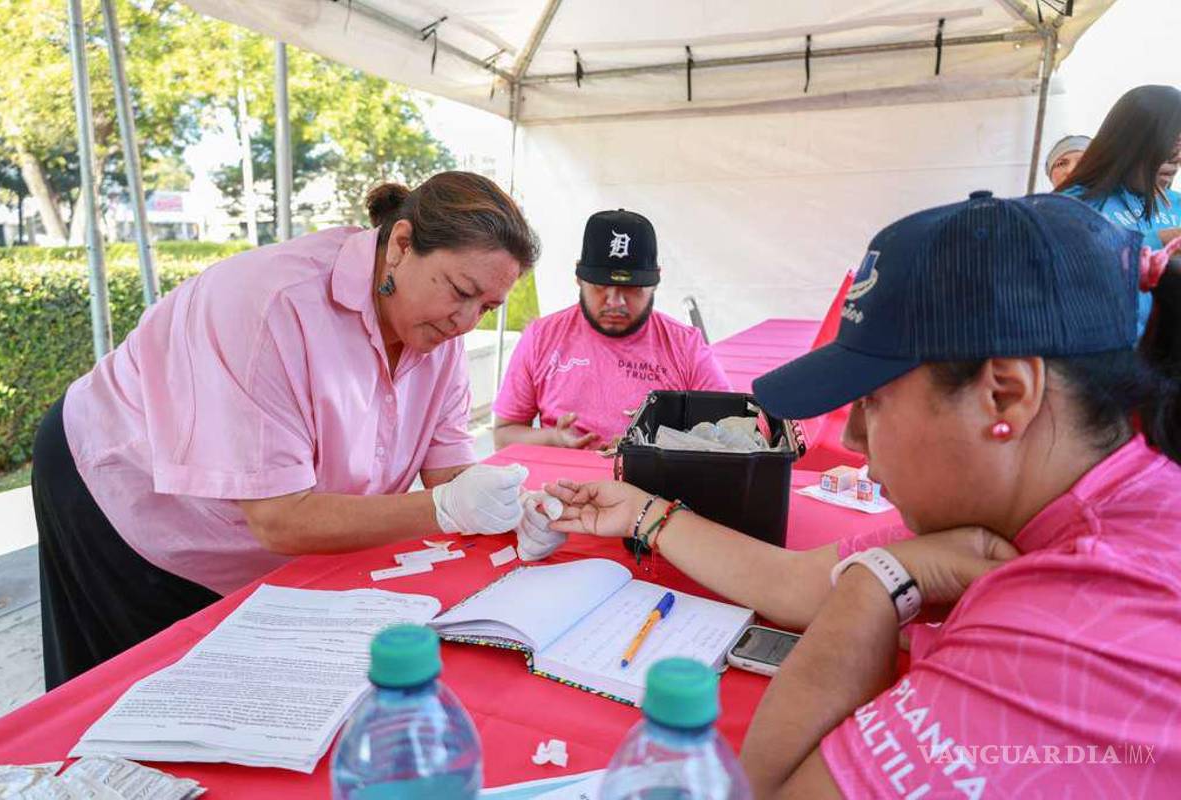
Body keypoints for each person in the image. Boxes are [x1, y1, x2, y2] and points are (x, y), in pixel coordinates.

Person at [543, 192, 1181, 796]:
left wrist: (877, 581)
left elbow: (765, 790)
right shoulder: (1070, 488)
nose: (849, 437)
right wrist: (644, 511)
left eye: (872, 401)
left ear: (1005, 395)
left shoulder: (1083, 619)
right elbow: (796, 584)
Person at [32, 171, 557, 689]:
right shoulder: (270, 304)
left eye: (486, 308)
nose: (465, 322)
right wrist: (446, 509)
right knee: (130, 692)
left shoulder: (438, 338)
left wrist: (511, 508)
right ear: (400, 244)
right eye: (461, 292)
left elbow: (452, 477)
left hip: (264, 531)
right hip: (126, 490)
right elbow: (280, 520)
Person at [492, 209, 731, 451]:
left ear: (655, 281)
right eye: (600, 286)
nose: (615, 302)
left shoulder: (684, 345)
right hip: (561, 484)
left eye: (632, 288)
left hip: (651, 486)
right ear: (579, 277)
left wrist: (651, 448)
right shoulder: (541, 337)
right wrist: (554, 438)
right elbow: (503, 436)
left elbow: (727, 432)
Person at [1058, 85, 1181, 334]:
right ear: (1133, 143)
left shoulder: (1172, 201)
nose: (1177, 159)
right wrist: (1162, 241)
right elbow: (1074, 263)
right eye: (1171, 146)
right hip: (1108, 357)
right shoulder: (1073, 204)